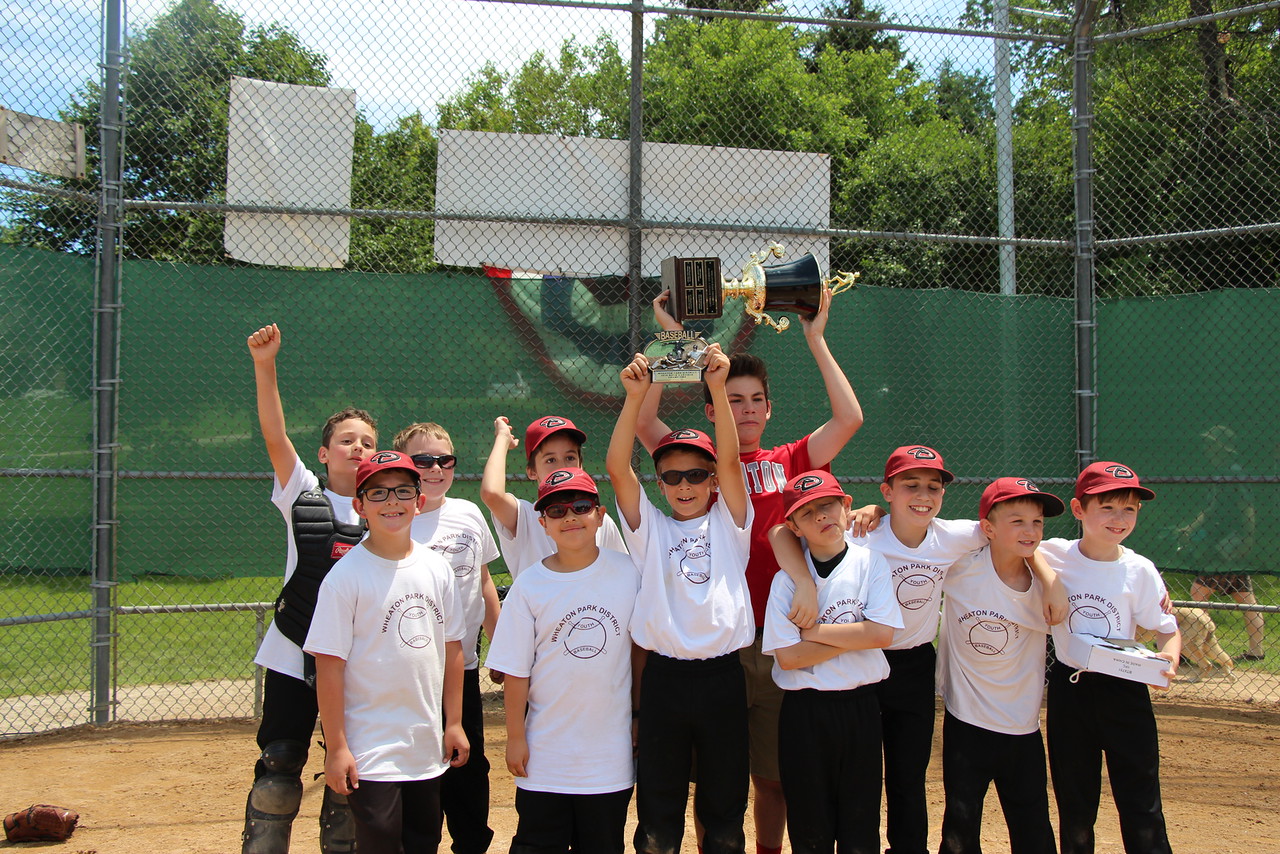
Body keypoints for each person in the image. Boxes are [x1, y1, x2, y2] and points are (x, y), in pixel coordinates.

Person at [636, 286, 862, 854]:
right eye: (734, 400)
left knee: (772, 776)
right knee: (713, 778)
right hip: (720, 645)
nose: (748, 409)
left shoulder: (794, 459)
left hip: (784, 635)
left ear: (770, 406)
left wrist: (816, 336)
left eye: (757, 399)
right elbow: (644, 425)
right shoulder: (702, 468)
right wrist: (673, 340)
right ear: (712, 410)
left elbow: (849, 417)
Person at [770, 445, 1065, 854]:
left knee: (908, 774)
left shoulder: (955, 535)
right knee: (860, 775)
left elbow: (1020, 535)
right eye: (910, 486)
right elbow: (781, 531)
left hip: (912, 664)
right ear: (887, 491)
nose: (923, 495)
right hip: (860, 665)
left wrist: (1047, 578)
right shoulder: (861, 531)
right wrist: (804, 578)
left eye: (933, 487)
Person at [608, 343, 753, 854]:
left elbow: (733, 460)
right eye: (671, 475)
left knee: (726, 810)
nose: (685, 484)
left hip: (723, 678)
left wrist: (718, 387)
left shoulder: (731, 523)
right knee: (658, 813)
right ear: (661, 483)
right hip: (665, 681)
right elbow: (619, 470)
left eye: (696, 474)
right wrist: (635, 398)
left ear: (712, 480)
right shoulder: (652, 531)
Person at [242, 323, 373, 854]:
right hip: (293, 648)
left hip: (357, 656)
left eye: (368, 442)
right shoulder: (302, 492)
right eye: (346, 441)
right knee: (278, 767)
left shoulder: (389, 508)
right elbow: (275, 435)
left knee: (350, 774)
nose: (357, 448)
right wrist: (265, 365)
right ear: (323, 453)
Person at [304, 450, 470, 854]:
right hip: (371, 748)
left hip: (425, 746)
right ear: (359, 506)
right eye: (377, 493)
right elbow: (329, 668)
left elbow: (453, 651)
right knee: (379, 841)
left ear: (419, 500)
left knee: (424, 841)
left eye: (401, 491)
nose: (391, 502)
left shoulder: (437, 569)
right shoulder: (345, 578)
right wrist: (338, 746)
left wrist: (454, 723)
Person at [484, 467, 641, 854]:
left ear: (600, 516)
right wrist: (516, 738)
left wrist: (639, 716)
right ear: (543, 525)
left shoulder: (629, 574)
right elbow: (516, 670)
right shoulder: (529, 585)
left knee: (603, 844)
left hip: (609, 757)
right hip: (545, 757)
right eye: (556, 511)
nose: (570, 516)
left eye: (581, 506)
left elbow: (639, 656)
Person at [1041, 461, 1181, 854]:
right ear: (1078, 508)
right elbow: (1000, 538)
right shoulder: (1052, 554)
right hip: (1072, 693)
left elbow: (1168, 628)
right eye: (1107, 507)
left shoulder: (1139, 570)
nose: (1119, 518)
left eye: (1130, 509)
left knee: (1141, 803)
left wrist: (1168, 659)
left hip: (1126, 693)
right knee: (1075, 804)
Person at [762, 471, 901, 854]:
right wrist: (856, 636)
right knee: (810, 826)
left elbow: (881, 636)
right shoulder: (787, 581)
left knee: (860, 824)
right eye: (808, 513)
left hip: (860, 708)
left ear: (847, 506)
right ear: (794, 526)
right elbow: (788, 658)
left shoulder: (870, 562)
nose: (822, 516)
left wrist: (812, 632)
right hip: (805, 712)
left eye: (828, 505)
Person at [935, 477, 1065, 854]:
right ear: (988, 529)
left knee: (1033, 829)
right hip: (966, 722)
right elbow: (911, 541)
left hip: (1023, 727)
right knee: (960, 829)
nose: (1030, 530)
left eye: (1038, 522)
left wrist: (1049, 577)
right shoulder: (959, 567)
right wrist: (872, 512)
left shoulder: (1053, 574)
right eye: (1017, 521)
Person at [393, 422, 503, 854]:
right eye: (423, 461)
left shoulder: (468, 513)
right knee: (421, 774)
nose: (435, 469)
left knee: (468, 769)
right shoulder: (396, 517)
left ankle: (472, 844)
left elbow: (484, 582)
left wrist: (503, 648)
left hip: (463, 668)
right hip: (413, 671)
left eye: (445, 460)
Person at [480, 414, 628, 579]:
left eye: (570, 458)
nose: (562, 467)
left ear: (581, 465)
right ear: (532, 471)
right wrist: (502, 438)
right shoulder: (525, 517)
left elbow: (621, 570)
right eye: (550, 460)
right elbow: (492, 494)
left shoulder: (596, 518)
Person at [1181, 425, 1265, 660]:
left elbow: (1247, 509)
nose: (1208, 448)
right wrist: (1191, 528)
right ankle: (1256, 652)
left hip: (1228, 545)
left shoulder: (1232, 472)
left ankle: (1192, 647)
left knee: (1199, 591)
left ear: (1224, 448)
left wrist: (1245, 539)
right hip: (1222, 542)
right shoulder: (1221, 472)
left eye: (1212, 444)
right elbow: (1210, 510)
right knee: (1245, 597)